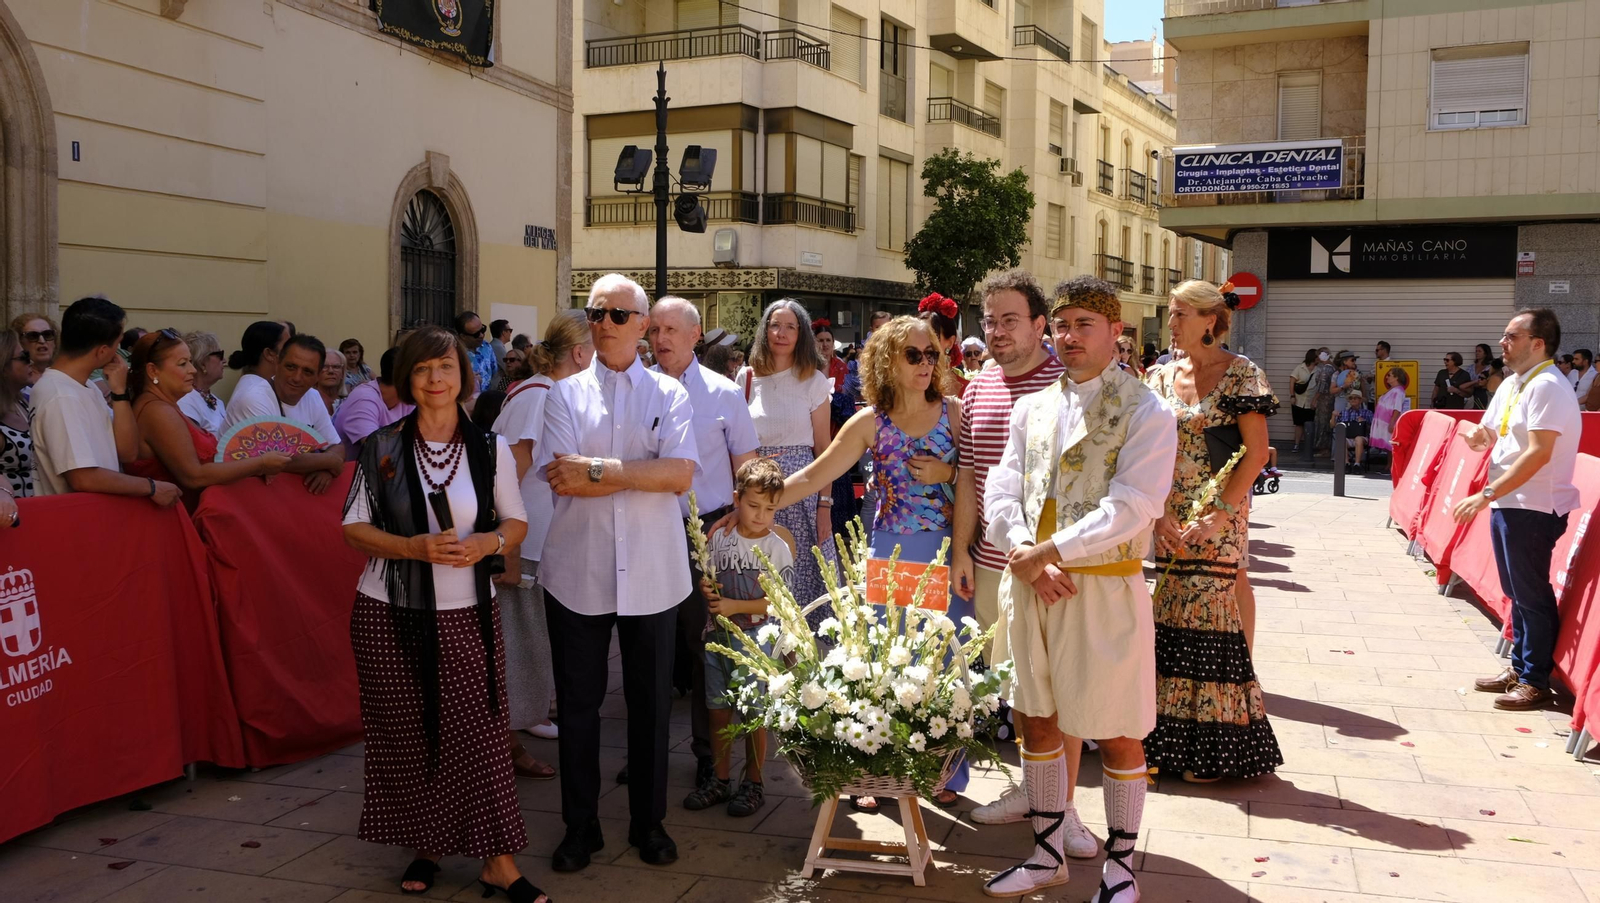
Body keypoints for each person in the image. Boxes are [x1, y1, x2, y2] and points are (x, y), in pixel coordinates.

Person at [982, 275, 1177, 901]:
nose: (1069, 337)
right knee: (1036, 723)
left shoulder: (1147, 410)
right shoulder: (1032, 406)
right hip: (1033, 584)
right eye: (1061, 325)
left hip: (1101, 589)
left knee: (1118, 730)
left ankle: (1121, 870)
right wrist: (1026, 557)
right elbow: (1003, 488)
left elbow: (1135, 505)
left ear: (1116, 332)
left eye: (1083, 325)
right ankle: (1046, 856)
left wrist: (1051, 552)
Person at [730, 314, 975, 809]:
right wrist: (759, 500)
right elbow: (817, 473)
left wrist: (963, 539)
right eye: (913, 354)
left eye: (931, 354)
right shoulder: (870, 422)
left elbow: (971, 484)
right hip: (890, 549)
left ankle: (944, 770)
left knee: (941, 661)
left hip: (942, 551)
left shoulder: (953, 413)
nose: (926, 364)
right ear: (888, 359)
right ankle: (880, 767)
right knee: (885, 660)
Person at [340, 326, 538, 901]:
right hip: (387, 613)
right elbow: (354, 529)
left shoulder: (489, 447)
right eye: (423, 369)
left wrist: (488, 545)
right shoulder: (380, 445)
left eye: (445, 367)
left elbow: (516, 520)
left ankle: (498, 861)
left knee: (476, 734)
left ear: (463, 375)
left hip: (464, 612)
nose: (434, 379)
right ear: (408, 377)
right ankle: (427, 843)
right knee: (409, 736)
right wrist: (413, 549)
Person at [537, 274, 698, 872]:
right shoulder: (563, 395)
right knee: (577, 707)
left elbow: (681, 474)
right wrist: (638, 472)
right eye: (595, 312)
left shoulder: (669, 394)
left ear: (643, 323)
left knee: (652, 707)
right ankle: (580, 828)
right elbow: (562, 478)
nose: (604, 323)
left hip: (653, 575)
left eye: (618, 314)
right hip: (577, 574)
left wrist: (600, 472)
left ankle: (648, 824)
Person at [950, 270, 1089, 842]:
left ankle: (1067, 810)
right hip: (989, 562)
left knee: (1063, 690)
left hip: (1054, 567)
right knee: (1019, 687)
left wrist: (1052, 557)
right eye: (989, 321)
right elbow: (968, 476)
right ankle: (1033, 794)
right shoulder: (980, 383)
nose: (998, 331)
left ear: (1040, 325)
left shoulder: (1070, 385)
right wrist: (961, 550)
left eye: (1011, 320)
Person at [1145, 280, 1281, 784]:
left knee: (1209, 611)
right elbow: (1146, 452)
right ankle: (1168, 740)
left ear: (1210, 319)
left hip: (1219, 514)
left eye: (1181, 313)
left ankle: (1215, 746)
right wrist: (1157, 513)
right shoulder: (1159, 377)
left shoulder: (1242, 374)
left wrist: (1221, 512)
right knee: (1171, 614)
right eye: (1171, 313)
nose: (1172, 322)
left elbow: (1257, 451)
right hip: (1169, 513)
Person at [646, 297, 758, 796]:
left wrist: (737, 522)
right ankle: (645, 751)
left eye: (671, 329)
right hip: (645, 530)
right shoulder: (638, 391)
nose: (660, 339)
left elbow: (749, 465)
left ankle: (708, 760)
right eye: (654, 330)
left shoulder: (723, 395)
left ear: (696, 337)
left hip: (703, 534)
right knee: (648, 646)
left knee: (701, 646)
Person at [1454, 309, 1580, 712]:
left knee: (1530, 593)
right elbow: (1494, 431)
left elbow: (1539, 453)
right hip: (1512, 501)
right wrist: (1479, 436)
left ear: (1537, 342)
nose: (1503, 343)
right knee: (1516, 592)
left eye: (1512, 336)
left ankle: (1535, 679)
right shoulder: (1513, 383)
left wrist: (1486, 493)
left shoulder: (1548, 386)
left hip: (1535, 505)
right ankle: (1521, 667)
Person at [492, 309, 594, 777]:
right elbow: (505, 475)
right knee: (515, 653)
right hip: (524, 548)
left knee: (527, 652)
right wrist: (506, 550)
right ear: (579, 352)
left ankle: (511, 741)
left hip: (538, 546)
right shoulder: (541, 395)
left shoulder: (546, 391)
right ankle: (504, 749)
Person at [688, 457, 793, 817]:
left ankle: (754, 782)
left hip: (757, 642)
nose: (761, 515)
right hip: (717, 638)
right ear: (736, 498)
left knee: (753, 714)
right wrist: (708, 588)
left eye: (770, 508)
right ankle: (719, 779)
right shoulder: (719, 536)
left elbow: (781, 603)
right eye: (753, 505)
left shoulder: (777, 547)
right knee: (717, 710)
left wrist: (734, 605)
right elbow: (710, 577)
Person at [735, 299, 835, 626]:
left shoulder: (813, 381)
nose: (782, 333)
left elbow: (824, 450)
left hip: (802, 494)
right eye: (775, 325)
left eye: (791, 326)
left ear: (801, 333)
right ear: (765, 330)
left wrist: (824, 506)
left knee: (804, 587)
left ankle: (801, 662)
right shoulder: (746, 378)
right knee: (761, 579)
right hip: (758, 495)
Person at [29, 297, 180, 507]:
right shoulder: (61, 396)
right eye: (118, 344)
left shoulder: (84, 386)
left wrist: (119, 392)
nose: (119, 353)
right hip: (77, 525)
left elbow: (127, 452)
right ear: (102, 351)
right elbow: (83, 477)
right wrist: (151, 487)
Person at [127, 330, 290, 508]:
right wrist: (261, 464)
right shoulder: (157, 411)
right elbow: (194, 476)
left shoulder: (165, 405)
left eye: (190, 361)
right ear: (152, 371)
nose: (192, 369)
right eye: (183, 364)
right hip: (172, 518)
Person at [222, 332, 346, 494]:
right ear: (278, 363)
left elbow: (336, 446)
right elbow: (274, 461)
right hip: (239, 491)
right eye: (291, 367)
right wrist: (329, 461)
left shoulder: (313, 396)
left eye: (307, 372)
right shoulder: (253, 398)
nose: (296, 378)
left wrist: (326, 470)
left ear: (317, 376)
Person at [336, 347, 415, 454]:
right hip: (352, 469)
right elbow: (377, 450)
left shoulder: (406, 400)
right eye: (422, 371)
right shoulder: (363, 399)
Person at [0, 329, 37, 501]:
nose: (30, 361)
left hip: (40, 510)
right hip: (10, 518)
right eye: (23, 356)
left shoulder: (25, 402)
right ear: (3, 367)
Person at [176, 331, 228, 438]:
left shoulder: (216, 400)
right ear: (202, 363)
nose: (224, 360)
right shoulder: (186, 401)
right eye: (220, 355)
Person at [919, 293, 968, 397]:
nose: (922, 344)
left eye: (931, 336)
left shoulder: (969, 391)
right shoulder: (905, 386)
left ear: (950, 342)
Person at [1370, 367, 1411, 458]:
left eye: (1389, 375)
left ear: (1396, 377)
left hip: (1389, 421)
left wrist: (1392, 422)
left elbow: (1397, 408)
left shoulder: (1399, 391)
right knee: (1388, 445)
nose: (1386, 377)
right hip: (1384, 422)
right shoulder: (1392, 390)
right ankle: (1388, 466)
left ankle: (1390, 467)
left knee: (1391, 444)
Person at [456, 311, 498, 395]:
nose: (481, 335)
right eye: (476, 334)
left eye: (483, 329)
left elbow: (494, 372)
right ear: (463, 336)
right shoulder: (455, 353)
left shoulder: (487, 347)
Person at [12, 312, 56, 392]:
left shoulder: (65, 376)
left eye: (47, 334)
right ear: (20, 342)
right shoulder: (14, 383)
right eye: (33, 336)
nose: (42, 341)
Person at [1332, 388, 1374, 471]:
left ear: (1360, 400)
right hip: (1348, 437)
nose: (1353, 400)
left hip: (1362, 437)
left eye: (1355, 398)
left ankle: (1357, 464)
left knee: (1358, 439)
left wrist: (1364, 422)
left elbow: (1373, 428)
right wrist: (1333, 416)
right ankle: (1346, 463)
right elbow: (1333, 426)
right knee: (1341, 439)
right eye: (1351, 398)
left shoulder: (1367, 413)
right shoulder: (1344, 412)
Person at [1307, 348, 1335, 457]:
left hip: (1325, 400)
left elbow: (1322, 386)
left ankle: (1324, 449)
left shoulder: (1326, 369)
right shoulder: (1332, 367)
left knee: (1323, 423)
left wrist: (1314, 399)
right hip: (1330, 399)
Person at [1289, 348, 1317, 453]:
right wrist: (1292, 396)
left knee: (1310, 423)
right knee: (1299, 423)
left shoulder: (1319, 369)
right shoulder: (1300, 368)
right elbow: (1292, 381)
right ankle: (1296, 444)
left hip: (1312, 401)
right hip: (1299, 400)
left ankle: (1309, 446)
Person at [1330, 350, 1364, 417]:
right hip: (1341, 403)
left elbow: (1362, 388)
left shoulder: (1357, 373)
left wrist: (1364, 398)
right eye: (1352, 360)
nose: (1354, 362)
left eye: (1355, 360)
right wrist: (1344, 386)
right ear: (1344, 362)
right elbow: (1331, 390)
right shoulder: (1337, 374)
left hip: (1355, 404)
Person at [318, 348, 346, 416]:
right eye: (324, 366)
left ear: (342, 373)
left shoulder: (348, 403)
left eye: (336, 367)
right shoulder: (307, 401)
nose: (331, 371)